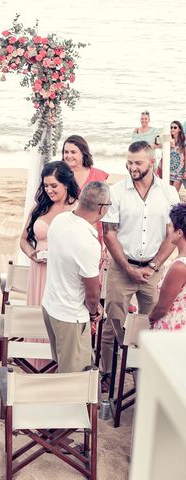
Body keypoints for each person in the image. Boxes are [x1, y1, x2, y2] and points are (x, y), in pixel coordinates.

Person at [101, 141, 180, 388]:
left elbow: (173, 234)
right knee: (112, 322)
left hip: (153, 272)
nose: (132, 167)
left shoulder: (169, 193)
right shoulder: (115, 191)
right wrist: (127, 268)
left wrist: (154, 266)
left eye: (138, 162)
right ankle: (107, 374)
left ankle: (144, 372)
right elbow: (109, 233)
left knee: (153, 324)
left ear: (152, 163)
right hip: (121, 268)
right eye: (129, 162)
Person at [42, 181, 110, 373]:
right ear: (102, 209)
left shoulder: (60, 220)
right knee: (74, 378)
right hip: (70, 316)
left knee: (63, 364)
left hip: (51, 305)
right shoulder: (88, 243)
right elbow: (91, 293)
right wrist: (95, 310)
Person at [20, 161, 79, 305]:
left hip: (63, 272)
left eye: (54, 186)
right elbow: (23, 239)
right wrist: (31, 254)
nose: (49, 190)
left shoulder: (77, 208)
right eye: (46, 186)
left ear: (66, 184)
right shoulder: (39, 208)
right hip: (40, 269)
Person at [149, 203, 186, 330]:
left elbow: (162, 308)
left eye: (170, 226)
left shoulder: (179, 267)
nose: (168, 230)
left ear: (179, 232)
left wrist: (151, 317)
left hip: (173, 327)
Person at [169, 121, 186, 191]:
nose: (172, 129)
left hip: (179, 172)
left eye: (175, 127)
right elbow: (165, 156)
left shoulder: (183, 140)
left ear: (179, 129)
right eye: (171, 127)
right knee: (169, 192)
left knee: (174, 193)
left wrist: (185, 171)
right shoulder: (169, 141)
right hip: (170, 171)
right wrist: (168, 147)